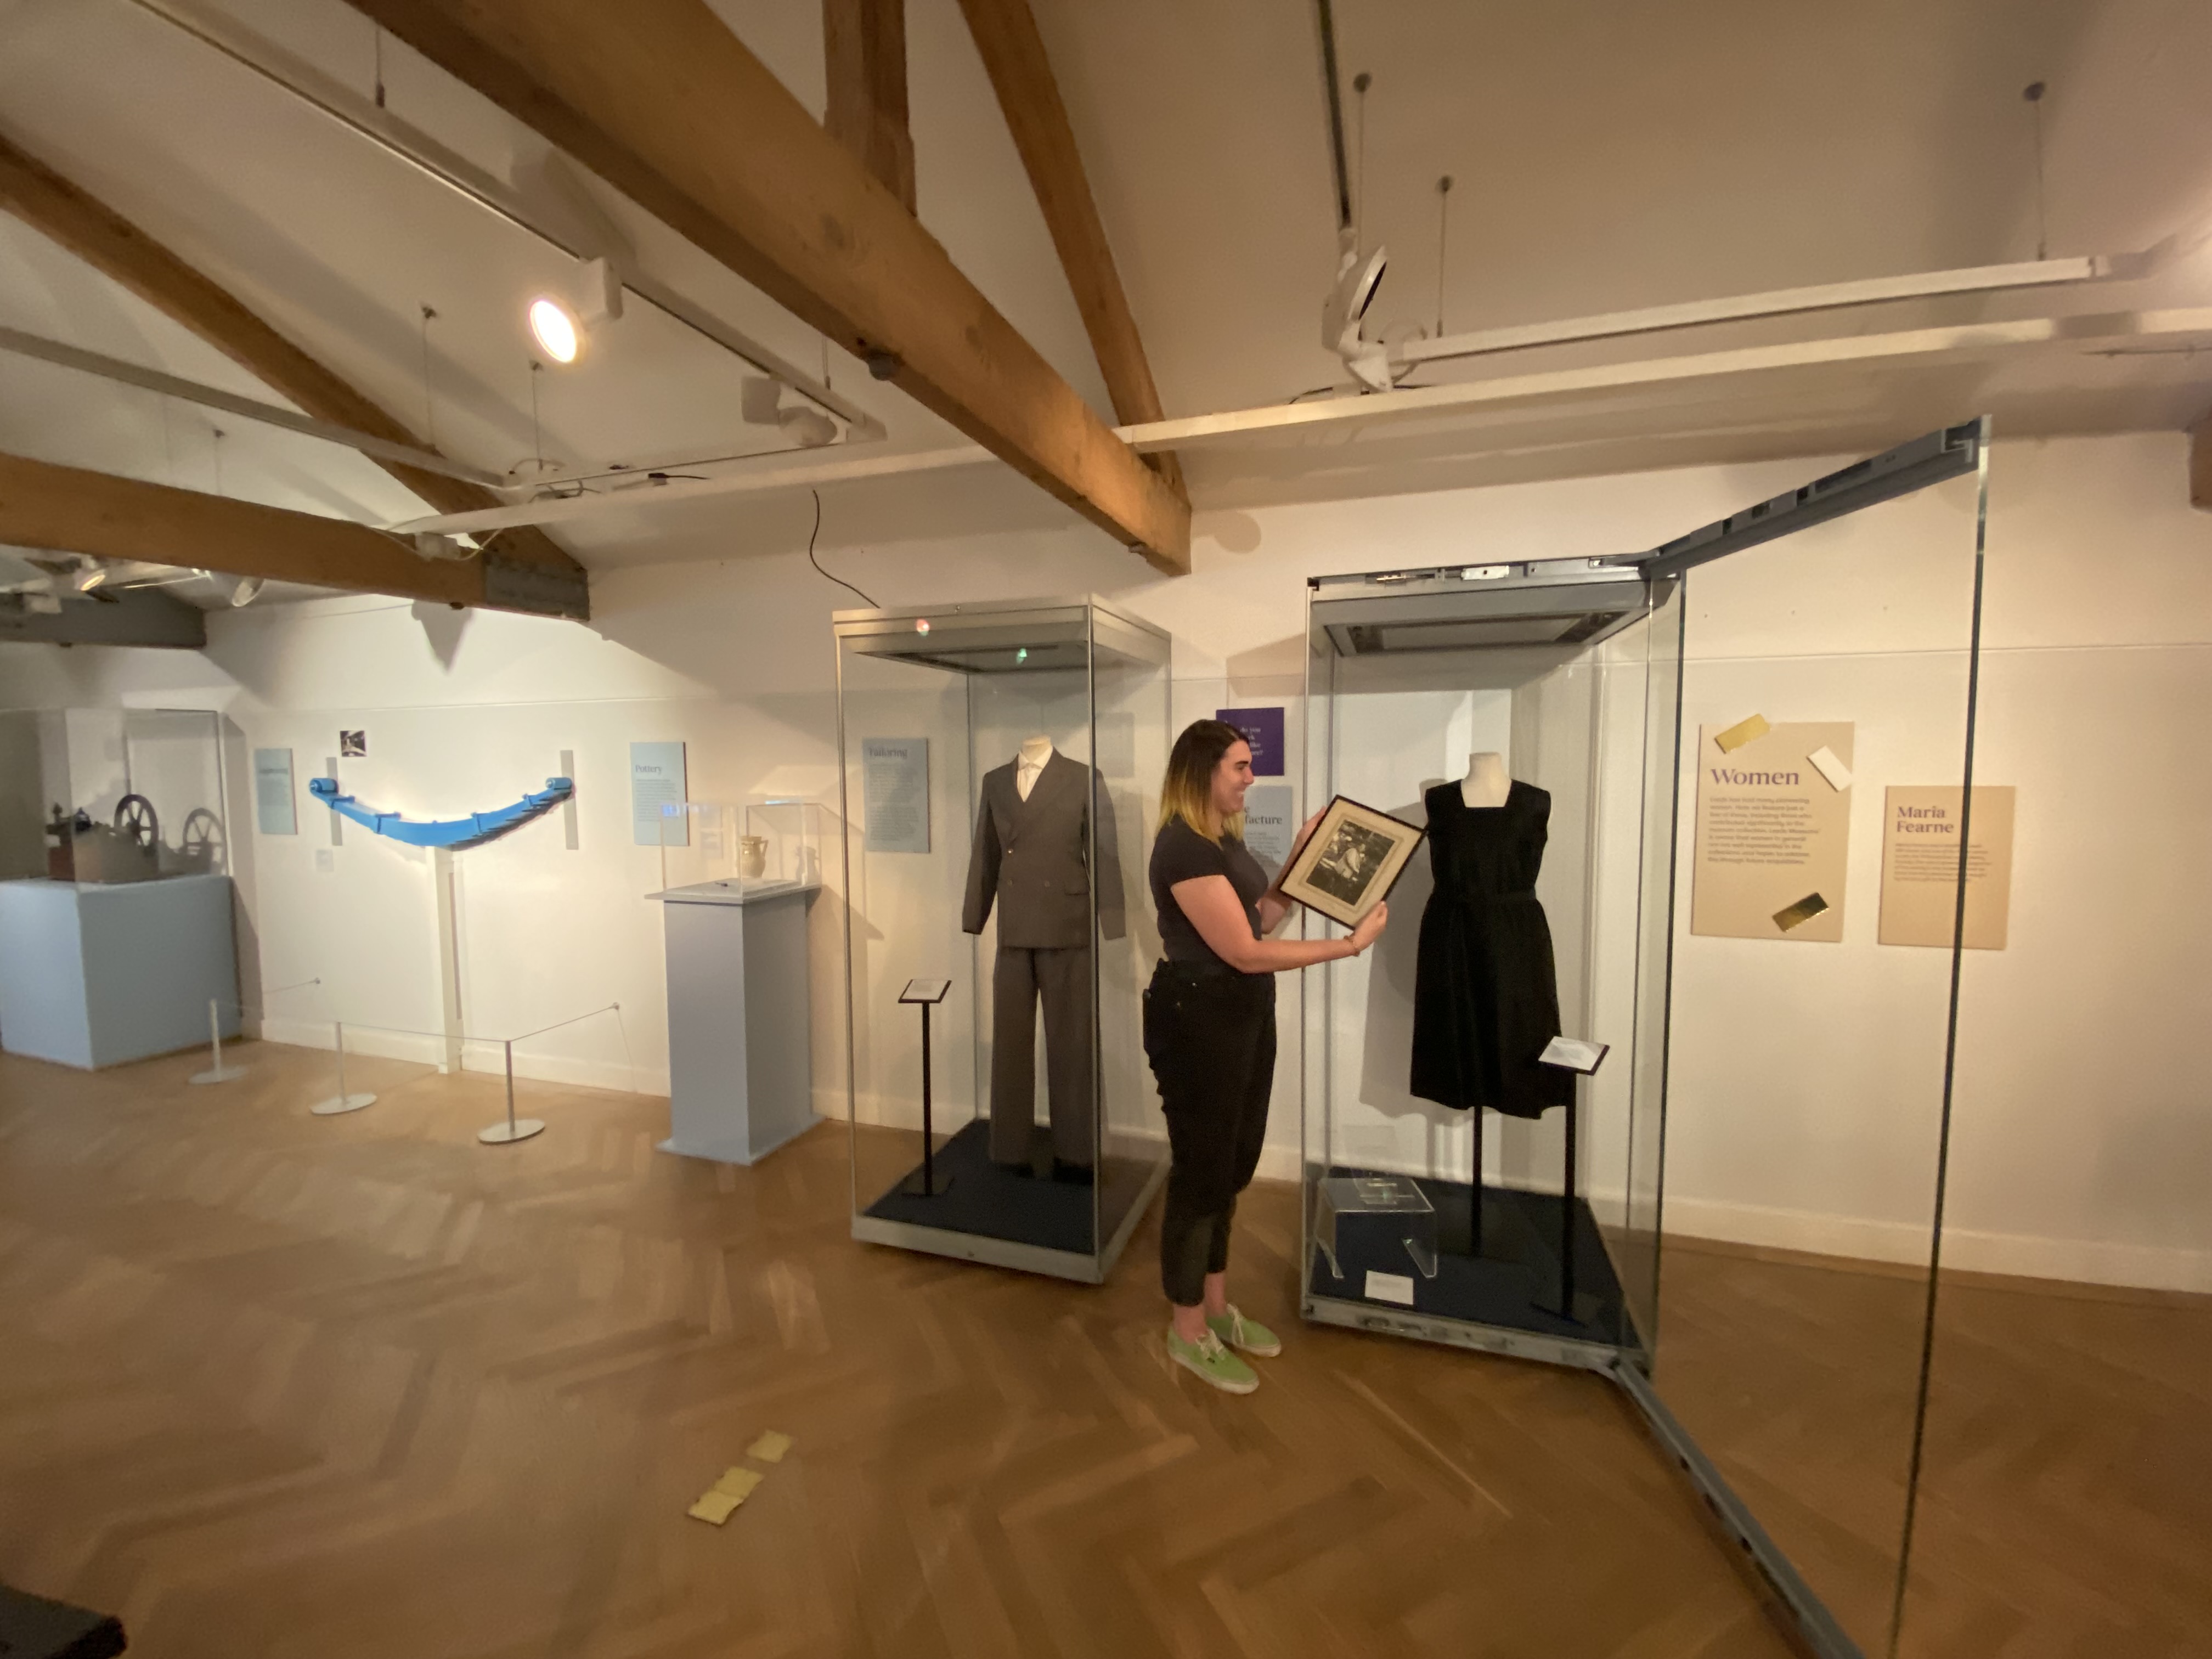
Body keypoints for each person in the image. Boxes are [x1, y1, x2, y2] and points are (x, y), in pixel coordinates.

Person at [1145, 719, 1388, 1394]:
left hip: (1241, 1013)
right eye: (1240, 767)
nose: (1252, 778)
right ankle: (1187, 1328)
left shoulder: (1221, 840)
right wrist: (1348, 946)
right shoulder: (1182, 847)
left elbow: (1262, 918)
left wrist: (1300, 862)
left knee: (1231, 1165)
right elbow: (1246, 952)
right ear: (1203, 773)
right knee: (1201, 1172)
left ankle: (1216, 1309)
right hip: (1197, 1019)